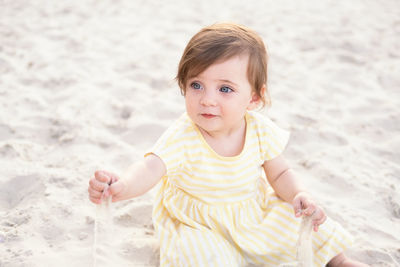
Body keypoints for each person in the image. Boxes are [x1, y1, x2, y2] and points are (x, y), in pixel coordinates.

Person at [88, 23, 369, 267]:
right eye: (196, 85)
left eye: (225, 89)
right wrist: (122, 186)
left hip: (250, 214)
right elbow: (150, 168)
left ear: (254, 99)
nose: (208, 99)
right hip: (197, 222)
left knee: (300, 222)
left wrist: (299, 194)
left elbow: (280, 173)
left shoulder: (258, 130)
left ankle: (337, 261)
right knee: (200, 254)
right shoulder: (184, 135)